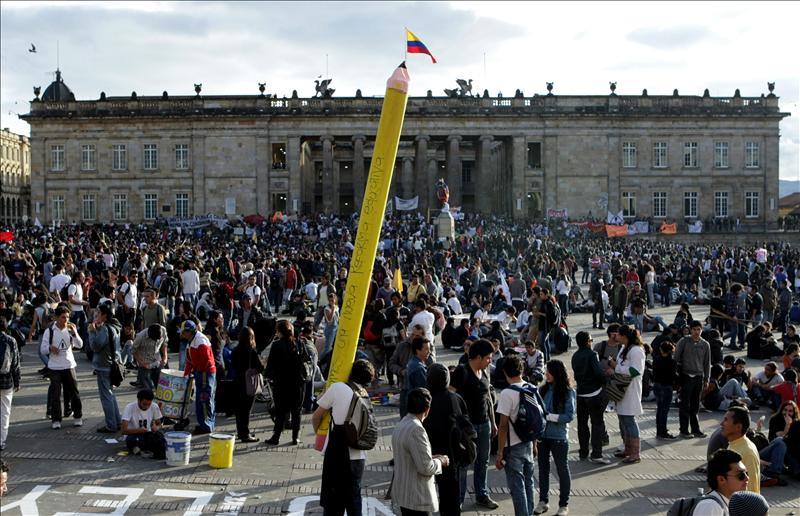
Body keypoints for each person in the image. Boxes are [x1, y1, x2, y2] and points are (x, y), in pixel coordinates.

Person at [313, 359, 375, 516]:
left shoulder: (338, 387)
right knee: (354, 500)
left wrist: (319, 434)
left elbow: (316, 416)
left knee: (333, 501)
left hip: (336, 452)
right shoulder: (364, 394)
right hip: (358, 455)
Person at [451, 338, 499, 510]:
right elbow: (451, 397)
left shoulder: (485, 372)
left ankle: (482, 494)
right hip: (466, 427)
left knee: (483, 461)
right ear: (478, 357)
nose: (490, 361)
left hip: (484, 423)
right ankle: (459, 499)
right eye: (488, 358)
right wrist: (458, 423)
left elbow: (487, 400)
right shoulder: (461, 371)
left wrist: (493, 423)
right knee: (463, 463)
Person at [391, 387, 449, 516]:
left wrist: (431, 457)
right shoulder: (417, 430)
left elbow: (409, 456)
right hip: (417, 498)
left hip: (404, 494)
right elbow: (426, 468)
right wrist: (441, 461)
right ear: (427, 409)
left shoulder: (402, 423)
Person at [423, 363, 468, 516]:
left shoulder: (425, 399)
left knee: (425, 492)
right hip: (451, 455)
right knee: (451, 496)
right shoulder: (455, 399)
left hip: (427, 452)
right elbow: (466, 426)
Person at [495, 354, 537, 516]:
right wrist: (534, 444)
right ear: (522, 369)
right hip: (527, 442)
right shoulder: (530, 387)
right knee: (529, 483)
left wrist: (500, 452)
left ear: (505, 372)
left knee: (517, 488)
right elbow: (534, 419)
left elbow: (503, 425)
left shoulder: (507, 393)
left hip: (512, 446)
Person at [535, 359, 575, 516]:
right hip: (542, 436)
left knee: (562, 469)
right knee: (543, 469)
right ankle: (543, 501)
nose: (546, 375)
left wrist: (550, 417)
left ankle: (563, 504)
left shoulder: (568, 392)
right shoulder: (542, 389)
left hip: (558, 436)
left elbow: (569, 415)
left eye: (549, 372)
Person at [40, 304, 84, 430]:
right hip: (54, 367)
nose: (66, 320)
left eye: (67, 317)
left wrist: (75, 333)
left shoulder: (70, 329)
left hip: (69, 365)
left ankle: (78, 416)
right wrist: (50, 348)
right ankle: (56, 419)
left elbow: (80, 345)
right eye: (63, 318)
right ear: (56, 318)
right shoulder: (50, 331)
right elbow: (42, 349)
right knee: (55, 394)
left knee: (74, 393)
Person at [571, 331, 611, 462]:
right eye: (591, 340)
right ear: (587, 341)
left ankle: (583, 452)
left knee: (582, 424)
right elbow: (598, 373)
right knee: (596, 424)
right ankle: (596, 454)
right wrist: (606, 379)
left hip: (581, 394)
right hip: (593, 393)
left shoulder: (575, 356)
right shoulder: (592, 354)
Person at [265, 320, 306, 445]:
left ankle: (276, 436)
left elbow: (271, 364)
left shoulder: (277, 345)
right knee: (296, 411)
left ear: (279, 331)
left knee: (280, 411)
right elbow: (305, 359)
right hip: (297, 382)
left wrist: (268, 377)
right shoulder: (299, 343)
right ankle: (295, 437)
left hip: (281, 382)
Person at [611, 325, 646, 463]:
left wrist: (616, 367)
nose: (616, 337)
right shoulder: (625, 348)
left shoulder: (636, 350)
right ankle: (627, 448)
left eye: (619, 334)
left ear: (625, 336)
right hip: (621, 389)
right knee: (623, 420)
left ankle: (635, 453)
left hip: (630, 390)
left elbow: (636, 371)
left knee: (630, 421)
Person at [88, 303, 122, 433]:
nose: (96, 316)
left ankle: (111, 425)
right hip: (112, 364)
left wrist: (92, 332)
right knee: (110, 395)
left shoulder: (104, 329)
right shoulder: (115, 326)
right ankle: (117, 422)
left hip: (104, 366)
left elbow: (95, 346)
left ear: (104, 316)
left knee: (106, 396)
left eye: (98, 313)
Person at [675, 320, 711, 438]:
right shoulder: (684, 341)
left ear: (701, 330)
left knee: (695, 405)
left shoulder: (705, 344)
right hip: (686, 376)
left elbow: (707, 363)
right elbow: (676, 358)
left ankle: (696, 429)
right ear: (690, 330)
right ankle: (684, 430)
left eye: (698, 329)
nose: (696, 332)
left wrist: (706, 379)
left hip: (699, 377)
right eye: (694, 329)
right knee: (685, 405)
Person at [181, 320, 216, 435]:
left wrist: (196, 370)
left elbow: (205, 360)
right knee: (201, 399)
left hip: (205, 373)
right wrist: (187, 372)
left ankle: (207, 426)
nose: (182, 334)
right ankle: (204, 423)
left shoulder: (200, 340)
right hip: (200, 372)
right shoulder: (191, 340)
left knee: (204, 399)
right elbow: (189, 359)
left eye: (184, 332)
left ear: (189, 331)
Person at [692, 449, 749, 515]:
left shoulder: (728, 502)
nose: (747, 478)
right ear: (721, 479)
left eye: (746, 473)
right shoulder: (710, 506)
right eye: (740, 475)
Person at [231, 327, 263, 443]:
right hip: (248, 383)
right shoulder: (251, 351)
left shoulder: (235, 350)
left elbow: (233, 365)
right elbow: (260, 368)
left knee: (239, 410)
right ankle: (245, 434)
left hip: (237, 382)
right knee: (246, 410)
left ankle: (241, 432)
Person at [719, 406, 761, 493]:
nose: (721, 423)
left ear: (738, 427)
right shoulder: (734, 443)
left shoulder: (748, 451)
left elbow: (751, 490)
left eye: (726, 420)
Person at [121, 389, 166, 459]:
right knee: (132, 440)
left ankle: (143, 449)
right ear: (138, 400)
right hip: (133, 435)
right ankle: (140, 448)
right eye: (144, 404)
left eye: (149, 404)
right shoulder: (129, 407)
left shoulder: (154, 406)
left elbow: (159, 424)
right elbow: (123, 431)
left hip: (147, 434)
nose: (147, 407)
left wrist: (156, 427)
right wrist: (138, 430)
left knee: (160, 437)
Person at [0, 317, 21, 451]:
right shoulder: (10, 340)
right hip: (6, 381)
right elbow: (15, 364)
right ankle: (1, 440)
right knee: (4, 412)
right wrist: (17, 381)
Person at [652, 341, 678, 439]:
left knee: (659, 409)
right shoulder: (672, 361)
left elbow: (654, 373)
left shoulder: (656, 360)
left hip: (657, 385)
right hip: (667, 386)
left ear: (661, 349)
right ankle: (663, 431)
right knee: (665, 410)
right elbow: (673, 375)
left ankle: (659, 430)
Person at [401, 336, 431, 418]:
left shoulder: (413, 362)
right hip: (416, 408)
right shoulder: (418, 368)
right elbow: (424, 390)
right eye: (426, 349)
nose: (429, 351)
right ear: (418, 350)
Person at [132, 324, 168, 391]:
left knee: (161, 388)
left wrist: (165, 357)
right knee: (148, 390)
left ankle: (158, 401)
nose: (156, 341)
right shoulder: (140, 336)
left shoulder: (163, 330)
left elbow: (164, 344)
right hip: (145, 364)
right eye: (154, 339)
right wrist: (142, 363)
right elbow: (134, 351)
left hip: (157, 362)